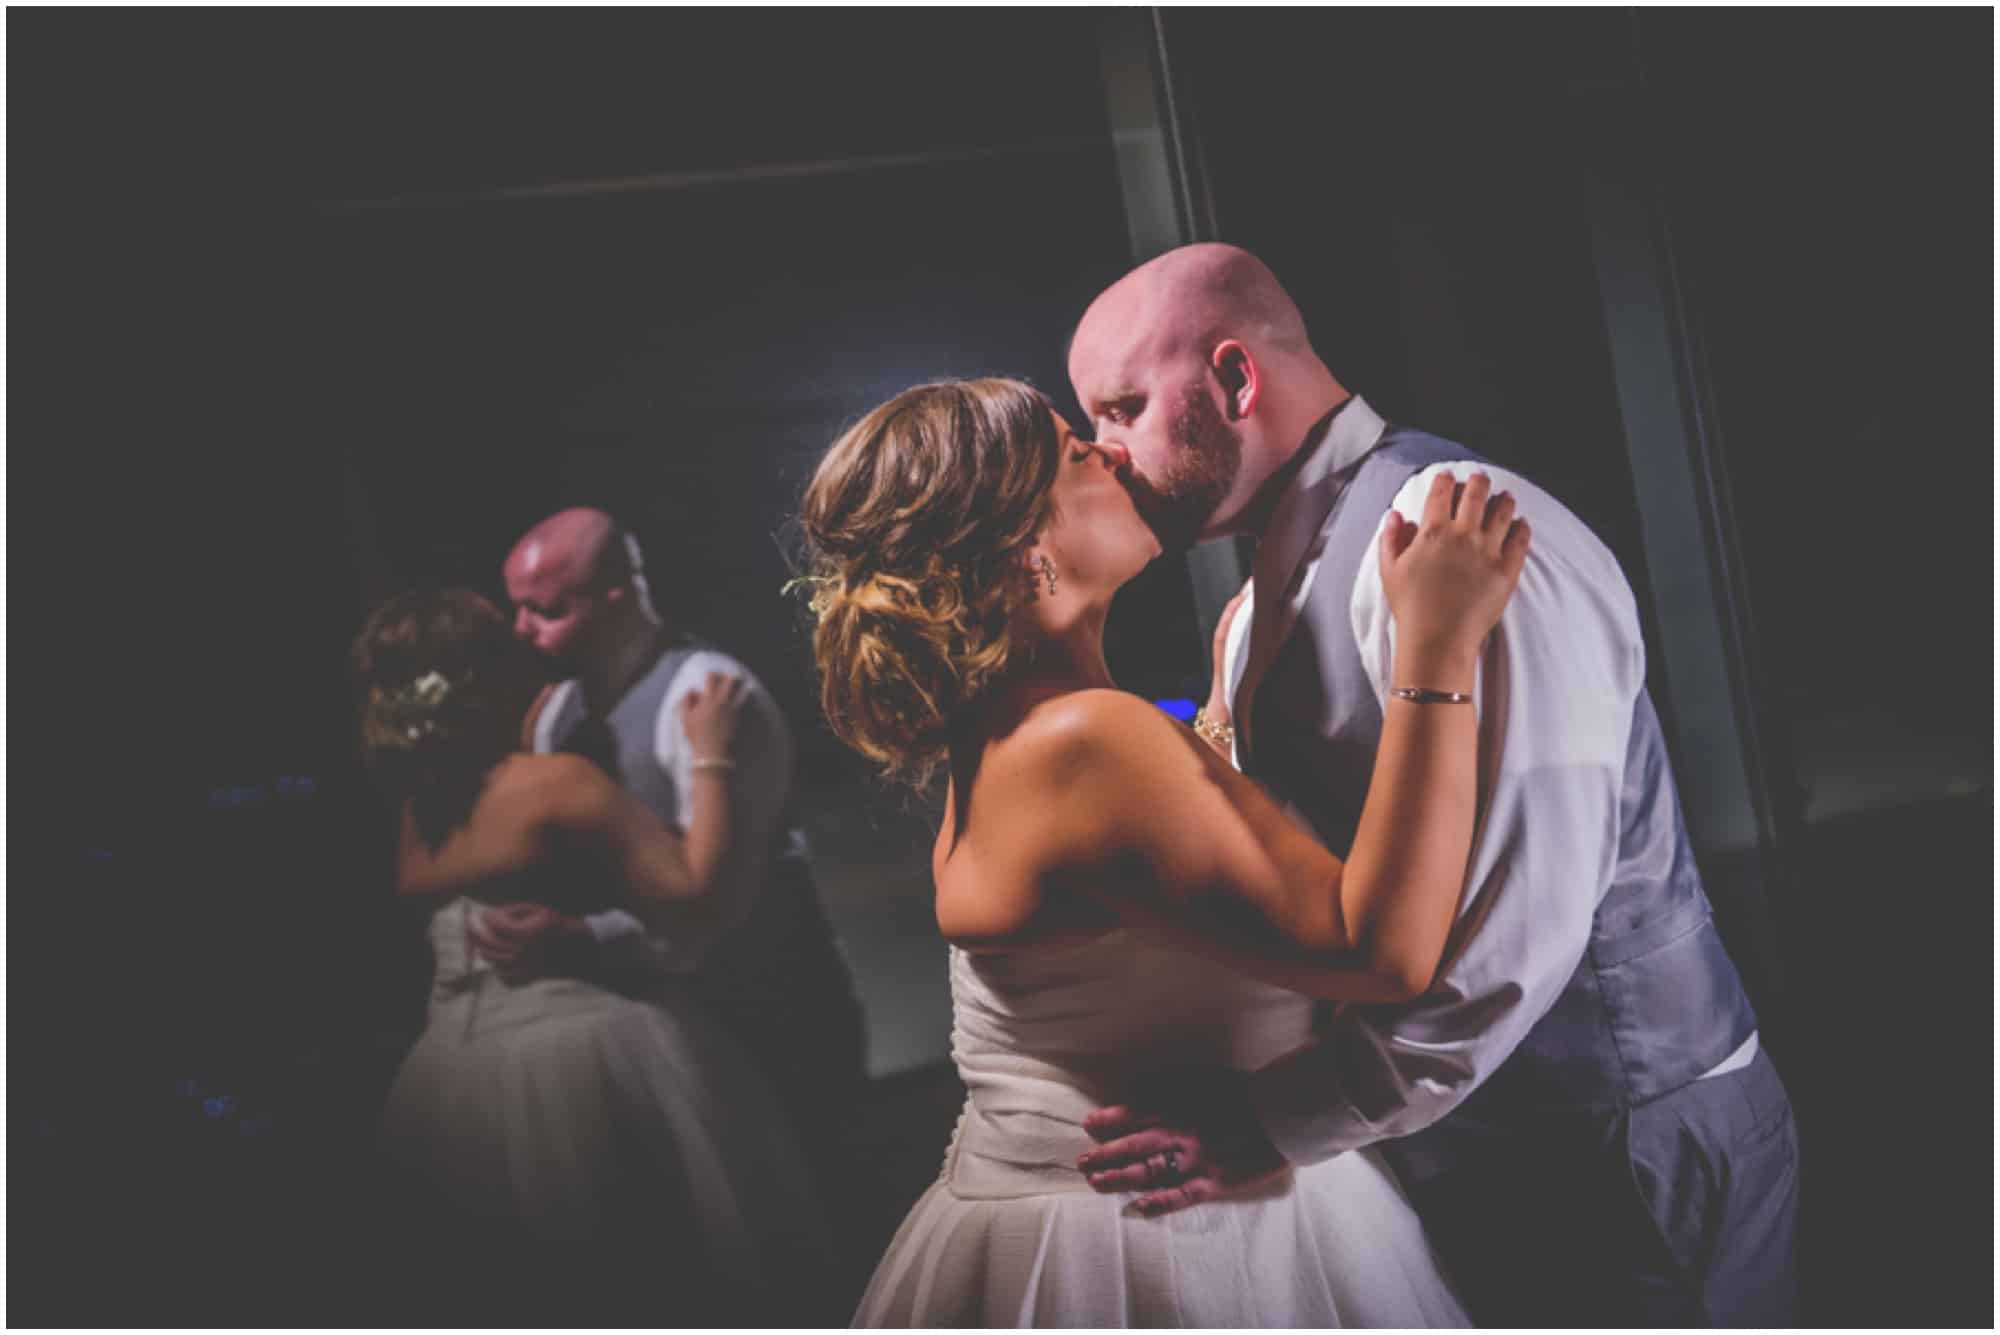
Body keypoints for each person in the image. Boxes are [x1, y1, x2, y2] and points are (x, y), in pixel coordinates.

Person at [1065, 243, 1799, 1326]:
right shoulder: (1262, 591)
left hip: (1617, 1142)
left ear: (1232, 379)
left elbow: (1519, 932)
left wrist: (1276, 1122)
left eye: (1123, 407)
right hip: (1471, 1149)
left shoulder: (1468, 530)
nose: (1107, 453)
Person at [798, 376, 1527, 1326]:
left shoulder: (1013, 733)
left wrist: (1219, 716)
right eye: (1073, 456)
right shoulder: (1088, 741)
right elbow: (1377, 949)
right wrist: (1436, 647)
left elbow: (1151, 892)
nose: (1108, 456)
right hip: (1165, 1247)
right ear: (1026, 549)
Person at [358, 588, 832, 1326]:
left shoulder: (420, 806)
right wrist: (709, 752)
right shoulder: (552, 784)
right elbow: (693, 887)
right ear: (485, 675)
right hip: (584, 1052)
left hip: (448, 1069)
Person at [487, 507, 867, 1207]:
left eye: (545, 610)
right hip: (655, 1032)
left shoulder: (709, 694)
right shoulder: (555, 711)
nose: (521, 630)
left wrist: (578, 938)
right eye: (517, 609)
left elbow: (727, 901)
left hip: (770, 1014)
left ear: (618, 596)